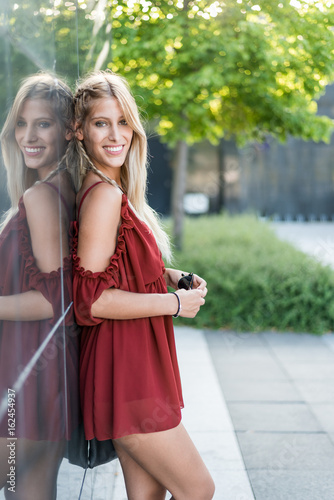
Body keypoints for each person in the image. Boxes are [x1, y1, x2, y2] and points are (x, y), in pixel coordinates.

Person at [72, 70, 215, 500]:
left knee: (148, 497)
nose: (116, 134)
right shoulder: (103, 196)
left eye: (123, 122)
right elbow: (92, 300)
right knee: (197, 489)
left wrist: (171, 276)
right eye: (101, 123)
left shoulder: (114, 189)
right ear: (79, 131)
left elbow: (115, 268)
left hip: (134, 364)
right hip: (126, 372)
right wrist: (173, 303)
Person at [0, 73, 79, 499]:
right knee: (27, 492)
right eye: (21, 123)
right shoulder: (63, 187)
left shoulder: (43, 196)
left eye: (43, 123)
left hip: (26, 375)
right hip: (49, 376)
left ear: (68, 130)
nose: (29, 135)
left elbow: (54, 300)